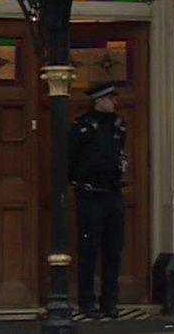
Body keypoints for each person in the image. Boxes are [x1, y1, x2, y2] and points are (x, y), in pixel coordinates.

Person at [69, 81, 128, 319]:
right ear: (99, 101)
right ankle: (86, 302)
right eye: (110, 98)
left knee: (113, 249)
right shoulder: (83, 127)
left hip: (113, 193)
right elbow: (70, 159)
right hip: (90, 194)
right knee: (89, 249)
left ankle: (110, 301)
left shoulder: (119, 125)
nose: (115, 102)